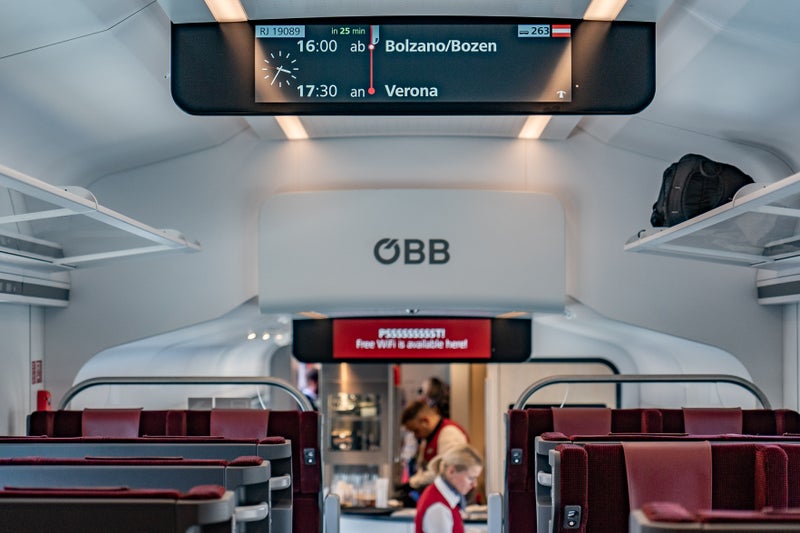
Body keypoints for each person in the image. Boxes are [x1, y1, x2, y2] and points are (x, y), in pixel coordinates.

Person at [401, 399, 469, 494]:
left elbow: (446, 472)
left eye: (416, 430)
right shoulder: (428, 438)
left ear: (425, 421)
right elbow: (423, 469)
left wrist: (412, 483)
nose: (416, 436)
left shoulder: (449, 433)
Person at [414, 444, 483, 533]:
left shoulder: (443, 496)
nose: (474, 484)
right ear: (451, 471)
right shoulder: (439, 508)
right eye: (471, 478)